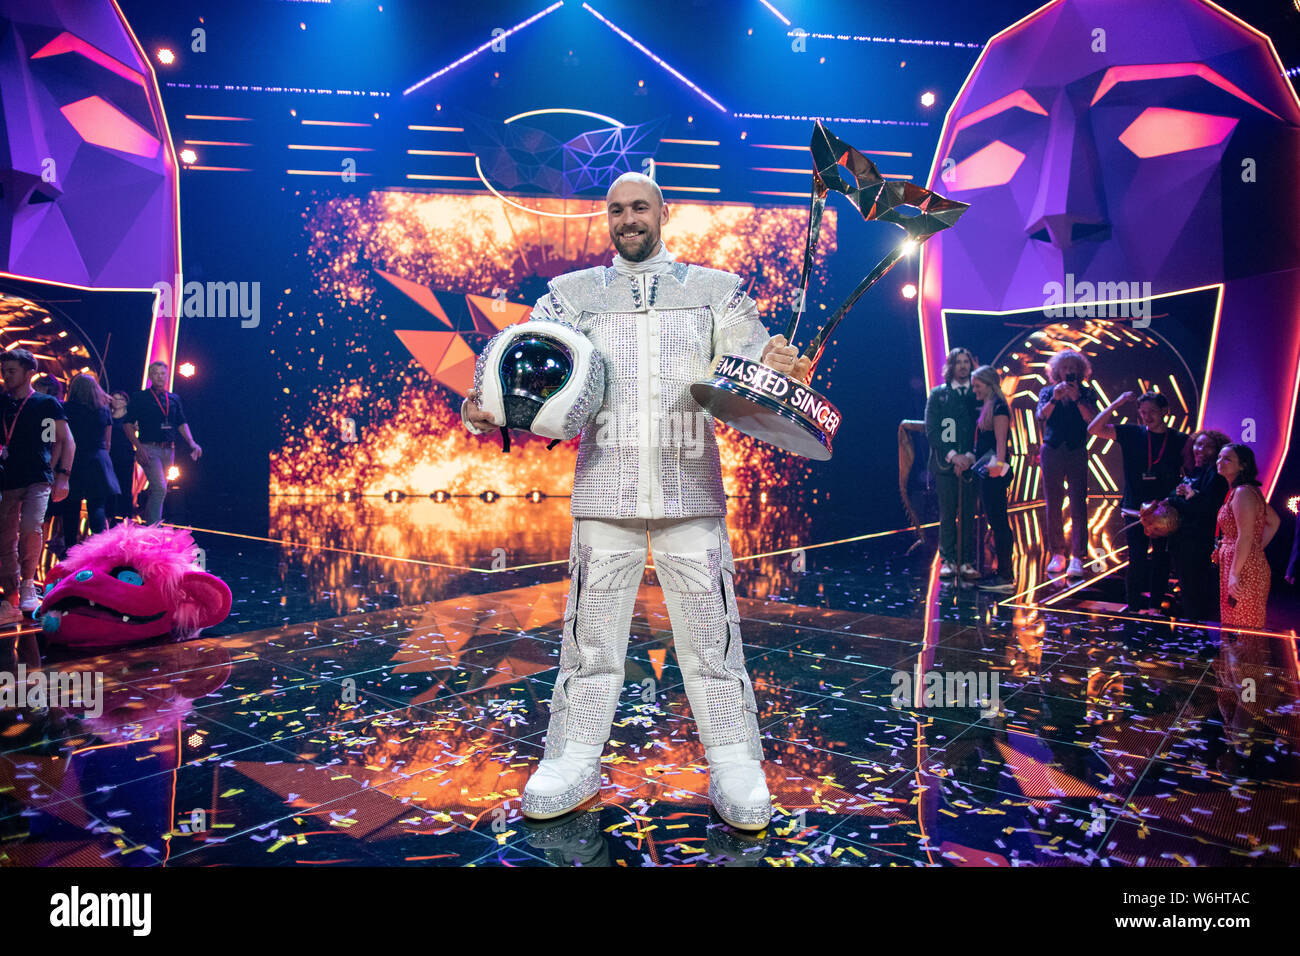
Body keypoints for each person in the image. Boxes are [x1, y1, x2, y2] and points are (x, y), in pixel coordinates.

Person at [461, 171, 804, 830]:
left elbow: (748, 360)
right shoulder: (572, 296)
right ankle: (571, 757)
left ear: (662, 212)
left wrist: (774, 363)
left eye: (639, 207)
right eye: (616, 210)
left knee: (711, 641)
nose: (627, 219)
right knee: (590, 642)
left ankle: (734, 761)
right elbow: (524, 361)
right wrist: (490, 406)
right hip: (605, 490)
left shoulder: (716, 291)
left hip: (690, 487)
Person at [1089, 390, 1187, 615]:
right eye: (1143, 412)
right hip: (1134, 508)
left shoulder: (1179, 440)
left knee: (1161, 558)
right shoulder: (1132, 433)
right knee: (1137, 559)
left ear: (1165, 411)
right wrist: (1117, 402)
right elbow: (1093, 429)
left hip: (1164, 510)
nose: (1147, 416)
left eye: (1152, 411)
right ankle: (1133, 606)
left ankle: (1155, 607)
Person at [0, 349, 73, 622]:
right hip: (8, 477)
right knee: (5, 536)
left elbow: (61, 440)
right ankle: (11, 593)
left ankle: (28, 583)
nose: (6, 376)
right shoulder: (3, 403)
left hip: (37, 477)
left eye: (11, 371)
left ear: (29, 373)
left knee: (31, 526)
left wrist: (61, 474)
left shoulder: (45, 404)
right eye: (4, 371)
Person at [1035, 349, 1099, 578]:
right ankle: (1057, 553)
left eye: (1073, 367)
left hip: (1076, 450)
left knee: (1078, 503)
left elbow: (1092, 419)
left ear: (1080, 371)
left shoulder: (1087, 393)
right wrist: (1055, 397)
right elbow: (1041, 417)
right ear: (1057, 371)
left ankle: (1078, 556)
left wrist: (1076, 398)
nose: (1069, 371)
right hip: (1052, 450)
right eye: (1065, 368)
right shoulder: (1047, 391)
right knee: (1053, 503)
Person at [925, 348, 980, 580]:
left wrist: (968, 456)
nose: (963, 366)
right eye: (958, 362)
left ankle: (966, 560)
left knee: (968, 513)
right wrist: (952, 456)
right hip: (945, 464)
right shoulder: (938, 395)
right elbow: (932, 430)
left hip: (972, 463)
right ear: (950, 366)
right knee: (948, 514)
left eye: (966, 362)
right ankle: (947, 560)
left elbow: (982, 428)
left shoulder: (978, 394)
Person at [124, 361, 201, 525]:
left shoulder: (174, 398)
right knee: (160, 488)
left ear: (167, 376)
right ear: (151, 376)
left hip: (168, 450)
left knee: (159, 489)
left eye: (163, 373)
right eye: (156, 373)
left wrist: (192, 443)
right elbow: (127, 424)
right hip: (149, 448)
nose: (160, 376)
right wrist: (138, 447)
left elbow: (181, 422)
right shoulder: (141, 397)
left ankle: (150, 523)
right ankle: (153, 529)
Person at [1164, 429, 1230, 621]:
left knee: (1197, 595)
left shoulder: (1216, 476)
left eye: (1206, 446)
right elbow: (1175, 496)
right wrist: (1178, 495)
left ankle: (1200, 640)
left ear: (1217, 451)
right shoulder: (1194, 472)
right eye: (1197, 444)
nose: (1199, 449)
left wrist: (1180, 499)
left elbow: (1207, 509)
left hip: (1198, 543)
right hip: (1182, 542)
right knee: (1188, 594)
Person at [1213, 443, 1279, 631]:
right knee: (1236, 627)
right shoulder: (1242, 491)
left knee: (1243, 630)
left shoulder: (1243, 492)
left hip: (1243, 569)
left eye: (1227, 459)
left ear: (1243, 465)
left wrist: (1236, 571)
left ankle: (1246, 662)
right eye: (1219, 457)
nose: (1220, 461)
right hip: (1242, 562)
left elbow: (1246, 535)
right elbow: (1274, 522)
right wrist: (1254, 550)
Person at [53, 374, 120, 554]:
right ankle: (101, 550)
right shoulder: (104, 410)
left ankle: (70, 549)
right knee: (97, 506)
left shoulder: (64, 408)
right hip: (99, 461)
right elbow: (108, 442)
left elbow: (58, 438)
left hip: (73, 460)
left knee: (71, 506)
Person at [971, 365, 1015, 591]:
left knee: (999, 522)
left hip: (994, 473)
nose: (974, 390)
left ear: (988, 385)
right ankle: (1002, 572)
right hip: (989, 471)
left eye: (977, 386)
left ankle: (1006, 575)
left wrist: (996, 467)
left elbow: (1001, 444)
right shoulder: (990, 407)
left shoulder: (999, 409)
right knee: (996, 521)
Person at [108, 390, 137, 524]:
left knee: (125, 488)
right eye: (114, 398)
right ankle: (109, 518)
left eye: (120, 399)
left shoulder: (130, 418)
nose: (116, 401)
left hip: (125, 455)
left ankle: (126, 519)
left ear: (126, 402)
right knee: (109, 488)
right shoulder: (107, 415)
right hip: (109, 455)